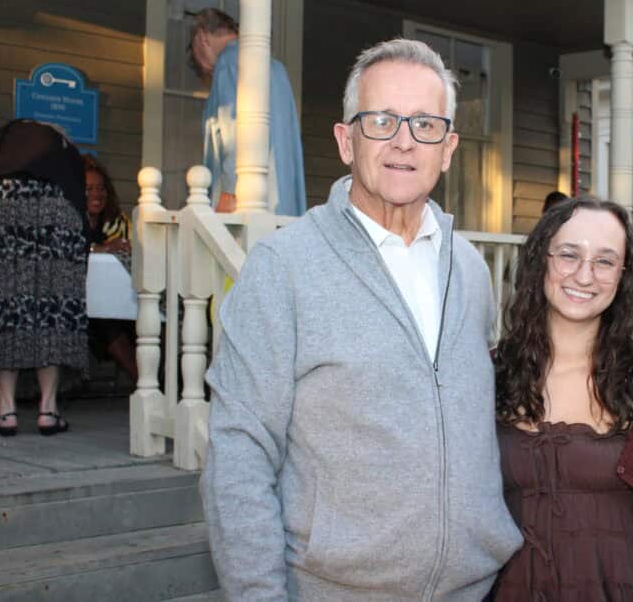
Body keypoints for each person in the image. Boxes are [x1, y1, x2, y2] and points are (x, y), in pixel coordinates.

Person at [200, 38, 523, 600]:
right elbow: (238, 451)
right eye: (381, 121)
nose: (403, 141)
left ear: (448, 148)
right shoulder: (284, 267)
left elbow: (487, 415)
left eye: (424, 124)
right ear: (347, 141)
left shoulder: (469, 270)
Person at [492, 196, 633, 601]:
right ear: (542, 260)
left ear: (623, 276)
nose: (585, 276)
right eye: (569, 254)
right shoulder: (492, 375)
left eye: (605, 261)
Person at [0, 119, 89, 436]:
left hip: (1, 204)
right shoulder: (63, 148)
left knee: (3, 305)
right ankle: (48, 410)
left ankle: (6, 413)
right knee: (52, 306)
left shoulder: (2, 141)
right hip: (57, 208)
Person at [190, 8, 306, 216]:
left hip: (245, 207)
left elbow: (235, 129)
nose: (203, 69)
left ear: (202, 38)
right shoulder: (276, 68)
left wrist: (228, 192)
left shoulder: (228, 61)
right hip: (282, 205)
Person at [83, 154, 138, 386]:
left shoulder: (116, 222)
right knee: (107, 322)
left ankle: (162, 379)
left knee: (148, 313)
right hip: (82, 306)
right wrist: (102, 248)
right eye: (89, 188)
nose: (97, 193)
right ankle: (142, 381)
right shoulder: (71, 221)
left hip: (116, 297)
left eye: (101, 188)